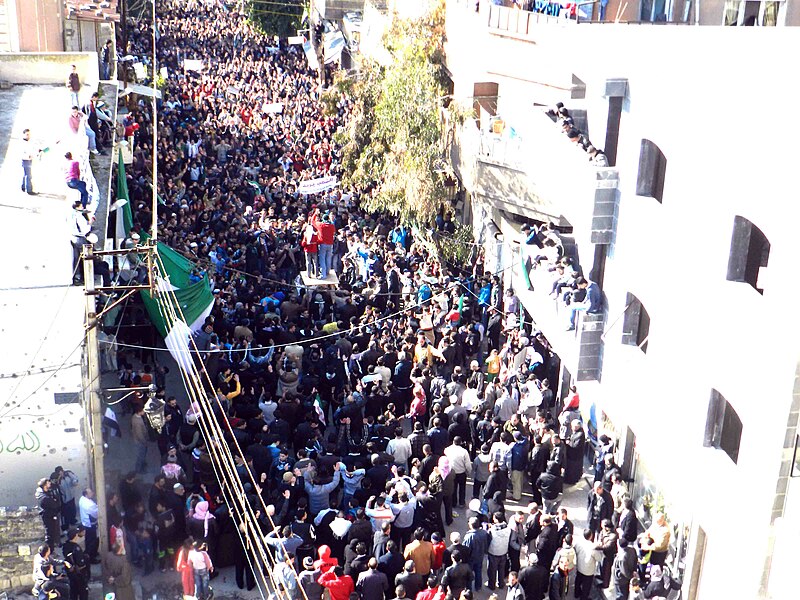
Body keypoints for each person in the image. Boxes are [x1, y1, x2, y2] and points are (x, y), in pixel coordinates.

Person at [462, 517, 490, 591]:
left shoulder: (469, 536)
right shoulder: (484, 533)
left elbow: (466, 549)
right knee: (478, 572)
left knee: (469, 574)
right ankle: (478, 586)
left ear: (471, 525)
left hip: (471, 558)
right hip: (480, 556)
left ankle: (469, 588)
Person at [62, 527, 89, 600]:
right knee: (83, 592)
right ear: (75, 536)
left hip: (70, 573)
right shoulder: (76, 548)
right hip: (79, 574)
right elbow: (81, 563)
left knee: (73, 592)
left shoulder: (65, 545)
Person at [36, 478, 62, 549]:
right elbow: (54, 504)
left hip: (51, 514)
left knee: (54, 532)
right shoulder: (43, 496)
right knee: (50, 534)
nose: (50, 484)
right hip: (48, 516)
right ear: (44, 485)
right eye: (48, 483)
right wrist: (54, 500)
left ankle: (54, 546)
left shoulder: (47, 492)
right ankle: (50, 550)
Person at [78, 488, 99, 563]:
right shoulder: (89, 504)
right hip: (90, 524)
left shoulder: (82, 499)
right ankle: (91, 557)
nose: (92, 493)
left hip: (85, 523)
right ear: (86, 494)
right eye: (90, 492)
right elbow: (96, 514)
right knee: (92, 541)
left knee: (88, 540)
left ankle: (90, 553)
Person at [20, 128, 39, 195]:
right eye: (27, 134)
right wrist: (28, 156)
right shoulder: (22, 143)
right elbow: (22, 153)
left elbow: (33, 149)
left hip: (29, 160)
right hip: (25, 160)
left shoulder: (30, 142)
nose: (29, 136)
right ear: (24, 135)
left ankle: (23, 186)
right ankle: (29, 190)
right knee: (28, 175)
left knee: (25, 174)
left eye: (29, 134)